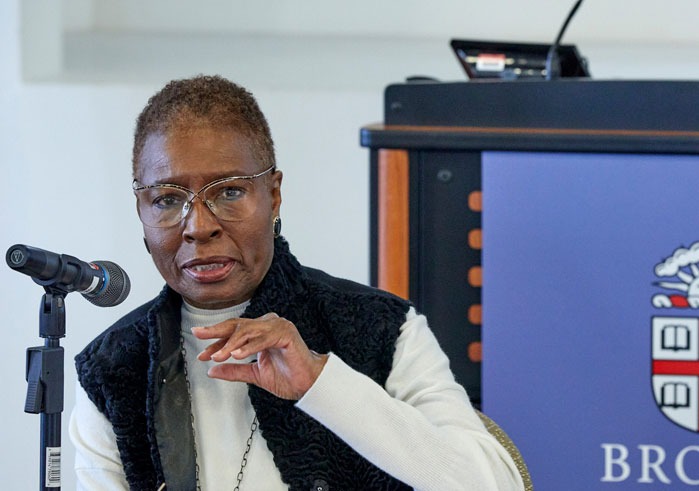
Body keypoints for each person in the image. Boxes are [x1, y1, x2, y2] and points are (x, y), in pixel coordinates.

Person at [69, 74, 524, 491]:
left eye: (229, 191)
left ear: (273, 195)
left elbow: (495, 484)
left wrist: (320, 382)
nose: (198, 226)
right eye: (168, 199)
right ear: (142, 215)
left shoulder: (382, 329)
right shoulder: (112, 372)